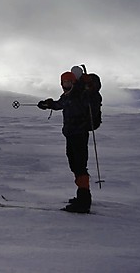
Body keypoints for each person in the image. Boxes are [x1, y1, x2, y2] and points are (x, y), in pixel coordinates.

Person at [38, 71, 92, 213]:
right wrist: (48, 104)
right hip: (70, 135)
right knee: (74, 164)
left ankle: (84, 201)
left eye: (68, 82)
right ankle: (81, 196)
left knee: (80, 166)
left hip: (79, 135)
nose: (66, 85)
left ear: (74, 82)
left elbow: (73, 104)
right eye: (64, 83)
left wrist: (86, 89)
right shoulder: (69, 96)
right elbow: (59, 104)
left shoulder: (79, 95)